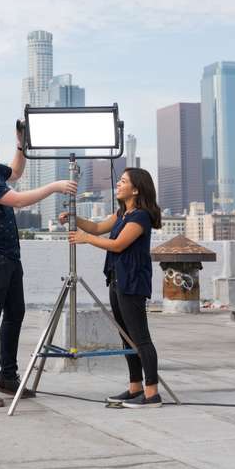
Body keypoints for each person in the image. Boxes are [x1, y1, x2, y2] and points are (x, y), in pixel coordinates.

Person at [0, 114, 78, 407]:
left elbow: (14, 173)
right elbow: (17, 199)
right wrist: (54, 187)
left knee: (15, 314)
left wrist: (20, 145)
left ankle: (7, 378)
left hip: (8, 254)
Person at [66, 167, 162, 408]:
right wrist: (73, 219)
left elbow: (118, 245)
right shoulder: (122, 214)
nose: (118, 185)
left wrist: (85, 239)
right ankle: (135, 387)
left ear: (136, 189)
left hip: (132, 283)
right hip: (117, 279)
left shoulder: (140, 217)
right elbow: (98, 228)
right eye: (119, 181)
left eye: (123, 181)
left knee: (140, 338)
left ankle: (152, 394)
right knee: (126, 338)